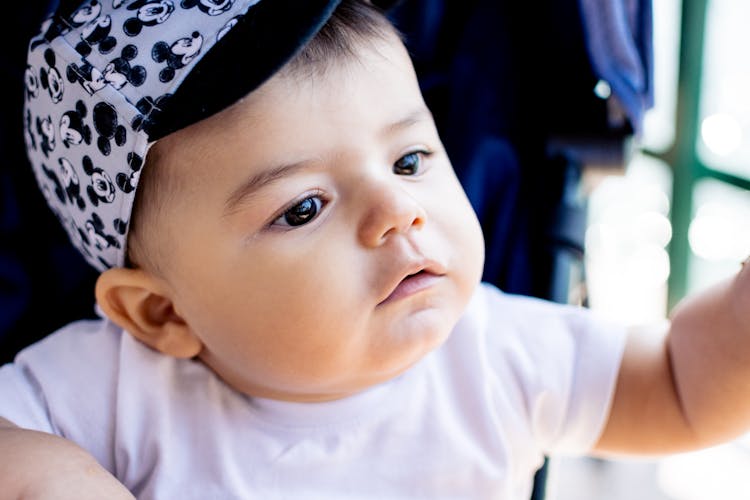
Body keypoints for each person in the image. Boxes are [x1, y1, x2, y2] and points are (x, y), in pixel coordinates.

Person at [2, 0, 750, 498]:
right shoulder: (117, 392)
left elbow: (681, 387)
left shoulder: (493, 355)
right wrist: (48, 476)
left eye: (410, 161)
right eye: (303, 208)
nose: (397, 212)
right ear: (162, 312)